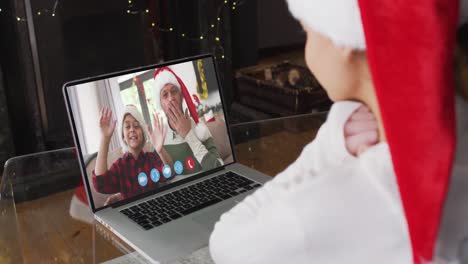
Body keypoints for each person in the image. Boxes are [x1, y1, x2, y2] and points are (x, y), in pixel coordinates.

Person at [209, 0, 463, 263]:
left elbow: (225, 242)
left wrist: (331, 144)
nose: (307, 50)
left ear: (343, 43)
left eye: (305, 32)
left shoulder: (319, 211)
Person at [152, 67, 222, 178]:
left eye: (174, 91)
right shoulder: (159, 139)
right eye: (165, 95)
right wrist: (160, 151)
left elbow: (219, 169)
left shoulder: (201, 129)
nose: (171, 98)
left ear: (181, 97)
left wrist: (189, 135)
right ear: (160, 104)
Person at [92, 105, 173, 201]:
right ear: (123, 137)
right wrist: (105, 138)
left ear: (143, 133)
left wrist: (160, 150)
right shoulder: (119, 166)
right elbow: (100, 184)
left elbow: (170, 173)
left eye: (136, 125)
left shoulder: (151, 159)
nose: (132, 129)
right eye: (127, 126)